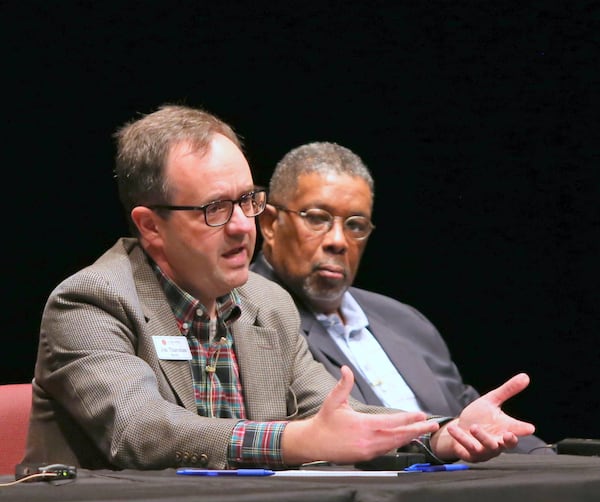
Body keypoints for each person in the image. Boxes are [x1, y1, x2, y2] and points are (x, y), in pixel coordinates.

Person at [23, 104, 537, 472]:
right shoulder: (92, 300)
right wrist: (294, 441)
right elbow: (139, 431)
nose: (245, 226)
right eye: (215, 209)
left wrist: (440, 432)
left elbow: (332, 412)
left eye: (248, 200)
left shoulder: (266, 303)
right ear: (151, 226)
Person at [251, 141, 551, 455]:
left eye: (355, 225)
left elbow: (468, 416)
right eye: (317, 218)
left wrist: (547, 459)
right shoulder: (253, 317)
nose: (338, 241)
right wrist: (443, 436)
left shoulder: (404, 319)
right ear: (271, 224)